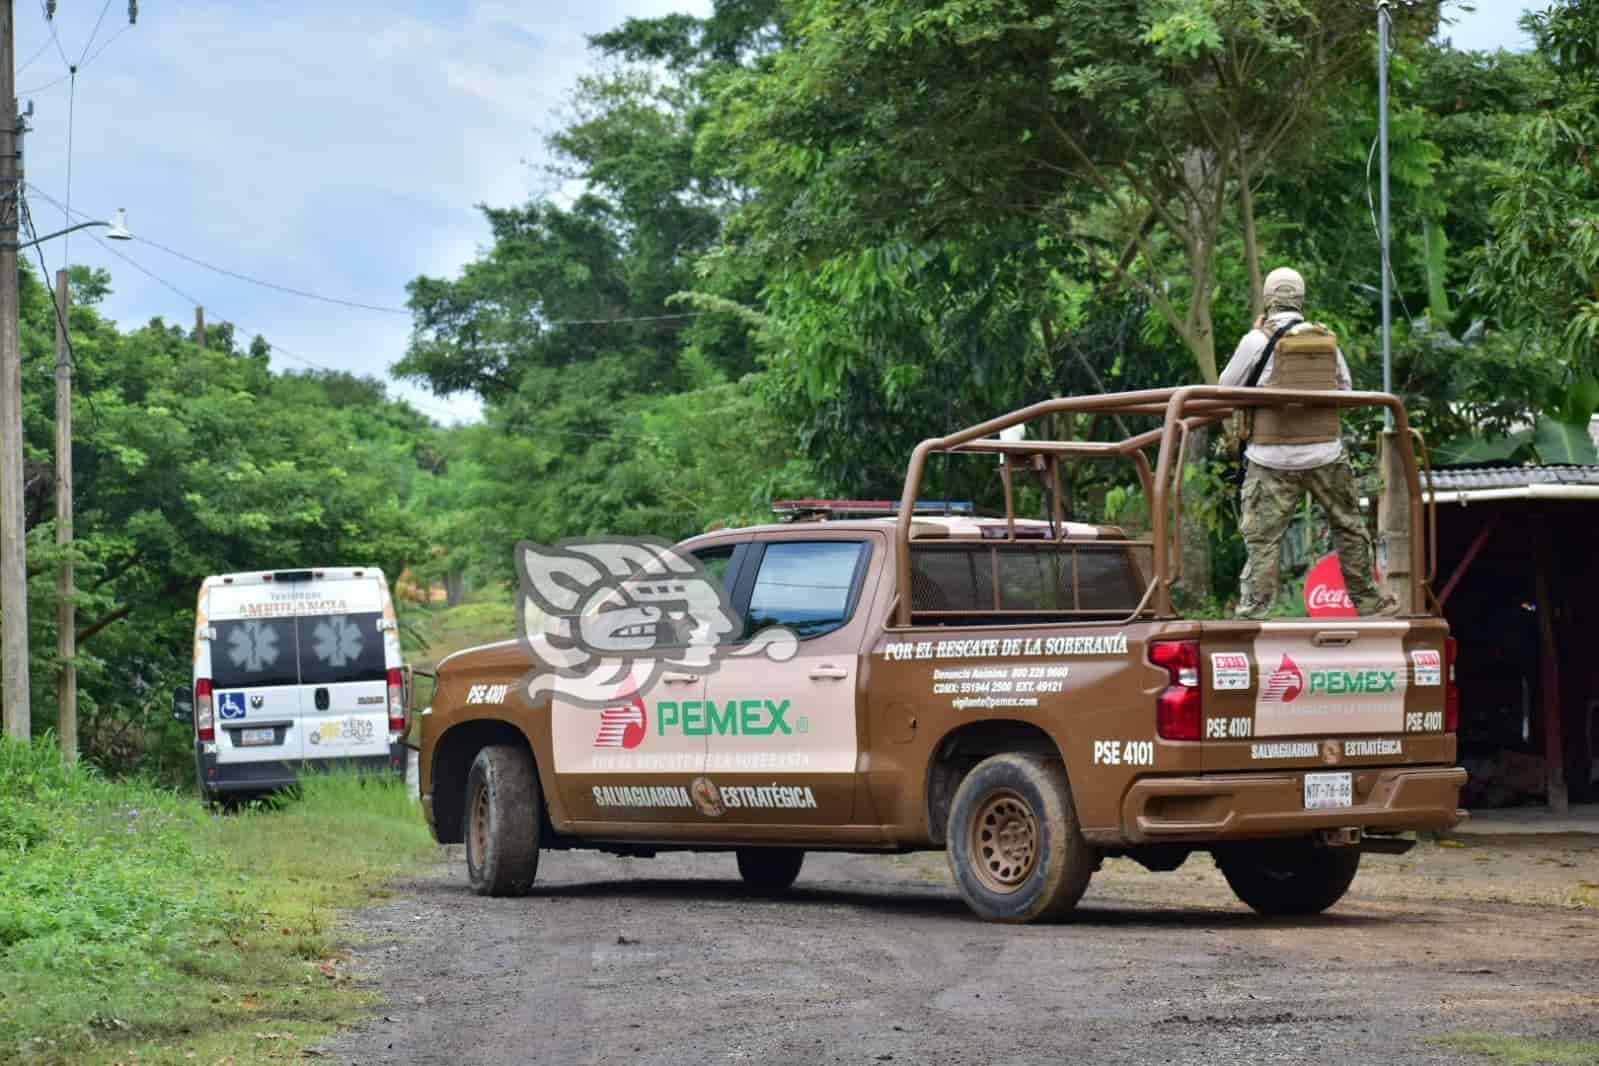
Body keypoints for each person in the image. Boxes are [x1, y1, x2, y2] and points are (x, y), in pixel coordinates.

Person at [1218, 267, 1399, 620]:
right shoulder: (1324, 339)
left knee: (1263, 539)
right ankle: (1368, 603)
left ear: (1268, 300)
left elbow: (1226, 385)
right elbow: (1345, 389)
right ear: (1301, 300)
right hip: (1325, 453)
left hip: (1270, 458)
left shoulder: (1256, 340)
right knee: (1348, 525)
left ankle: (1255, 609)